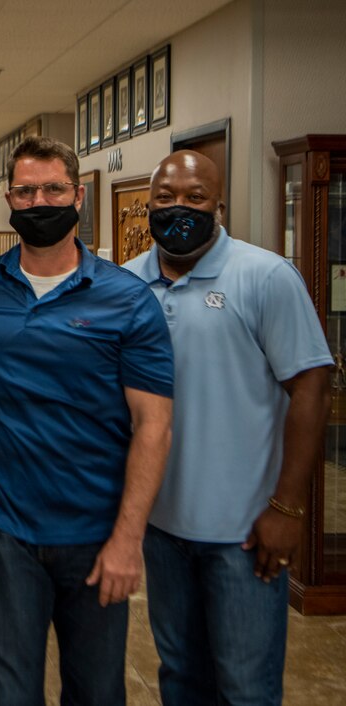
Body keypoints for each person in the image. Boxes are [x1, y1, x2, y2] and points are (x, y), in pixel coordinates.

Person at [0, 136, 174, 704]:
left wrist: (127, 541)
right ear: (9, 200)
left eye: (53, 188)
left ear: (79, 195)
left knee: (95, 691)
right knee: (10, 691)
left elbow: (154, 427)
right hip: (8, 534)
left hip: (95, 536)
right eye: (26, 190)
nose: (39, 200)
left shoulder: (128, 300)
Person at [125, 150, 332, 706]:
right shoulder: (125, 286)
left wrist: (288, 509)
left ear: (220, 203)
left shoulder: (264, 276)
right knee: (180, 677)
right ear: (149, 204)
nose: (179, 208)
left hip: (245, 534)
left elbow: (312, 388)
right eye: (165, 198)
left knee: (245, 688)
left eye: (195, 197)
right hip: (162, 528)